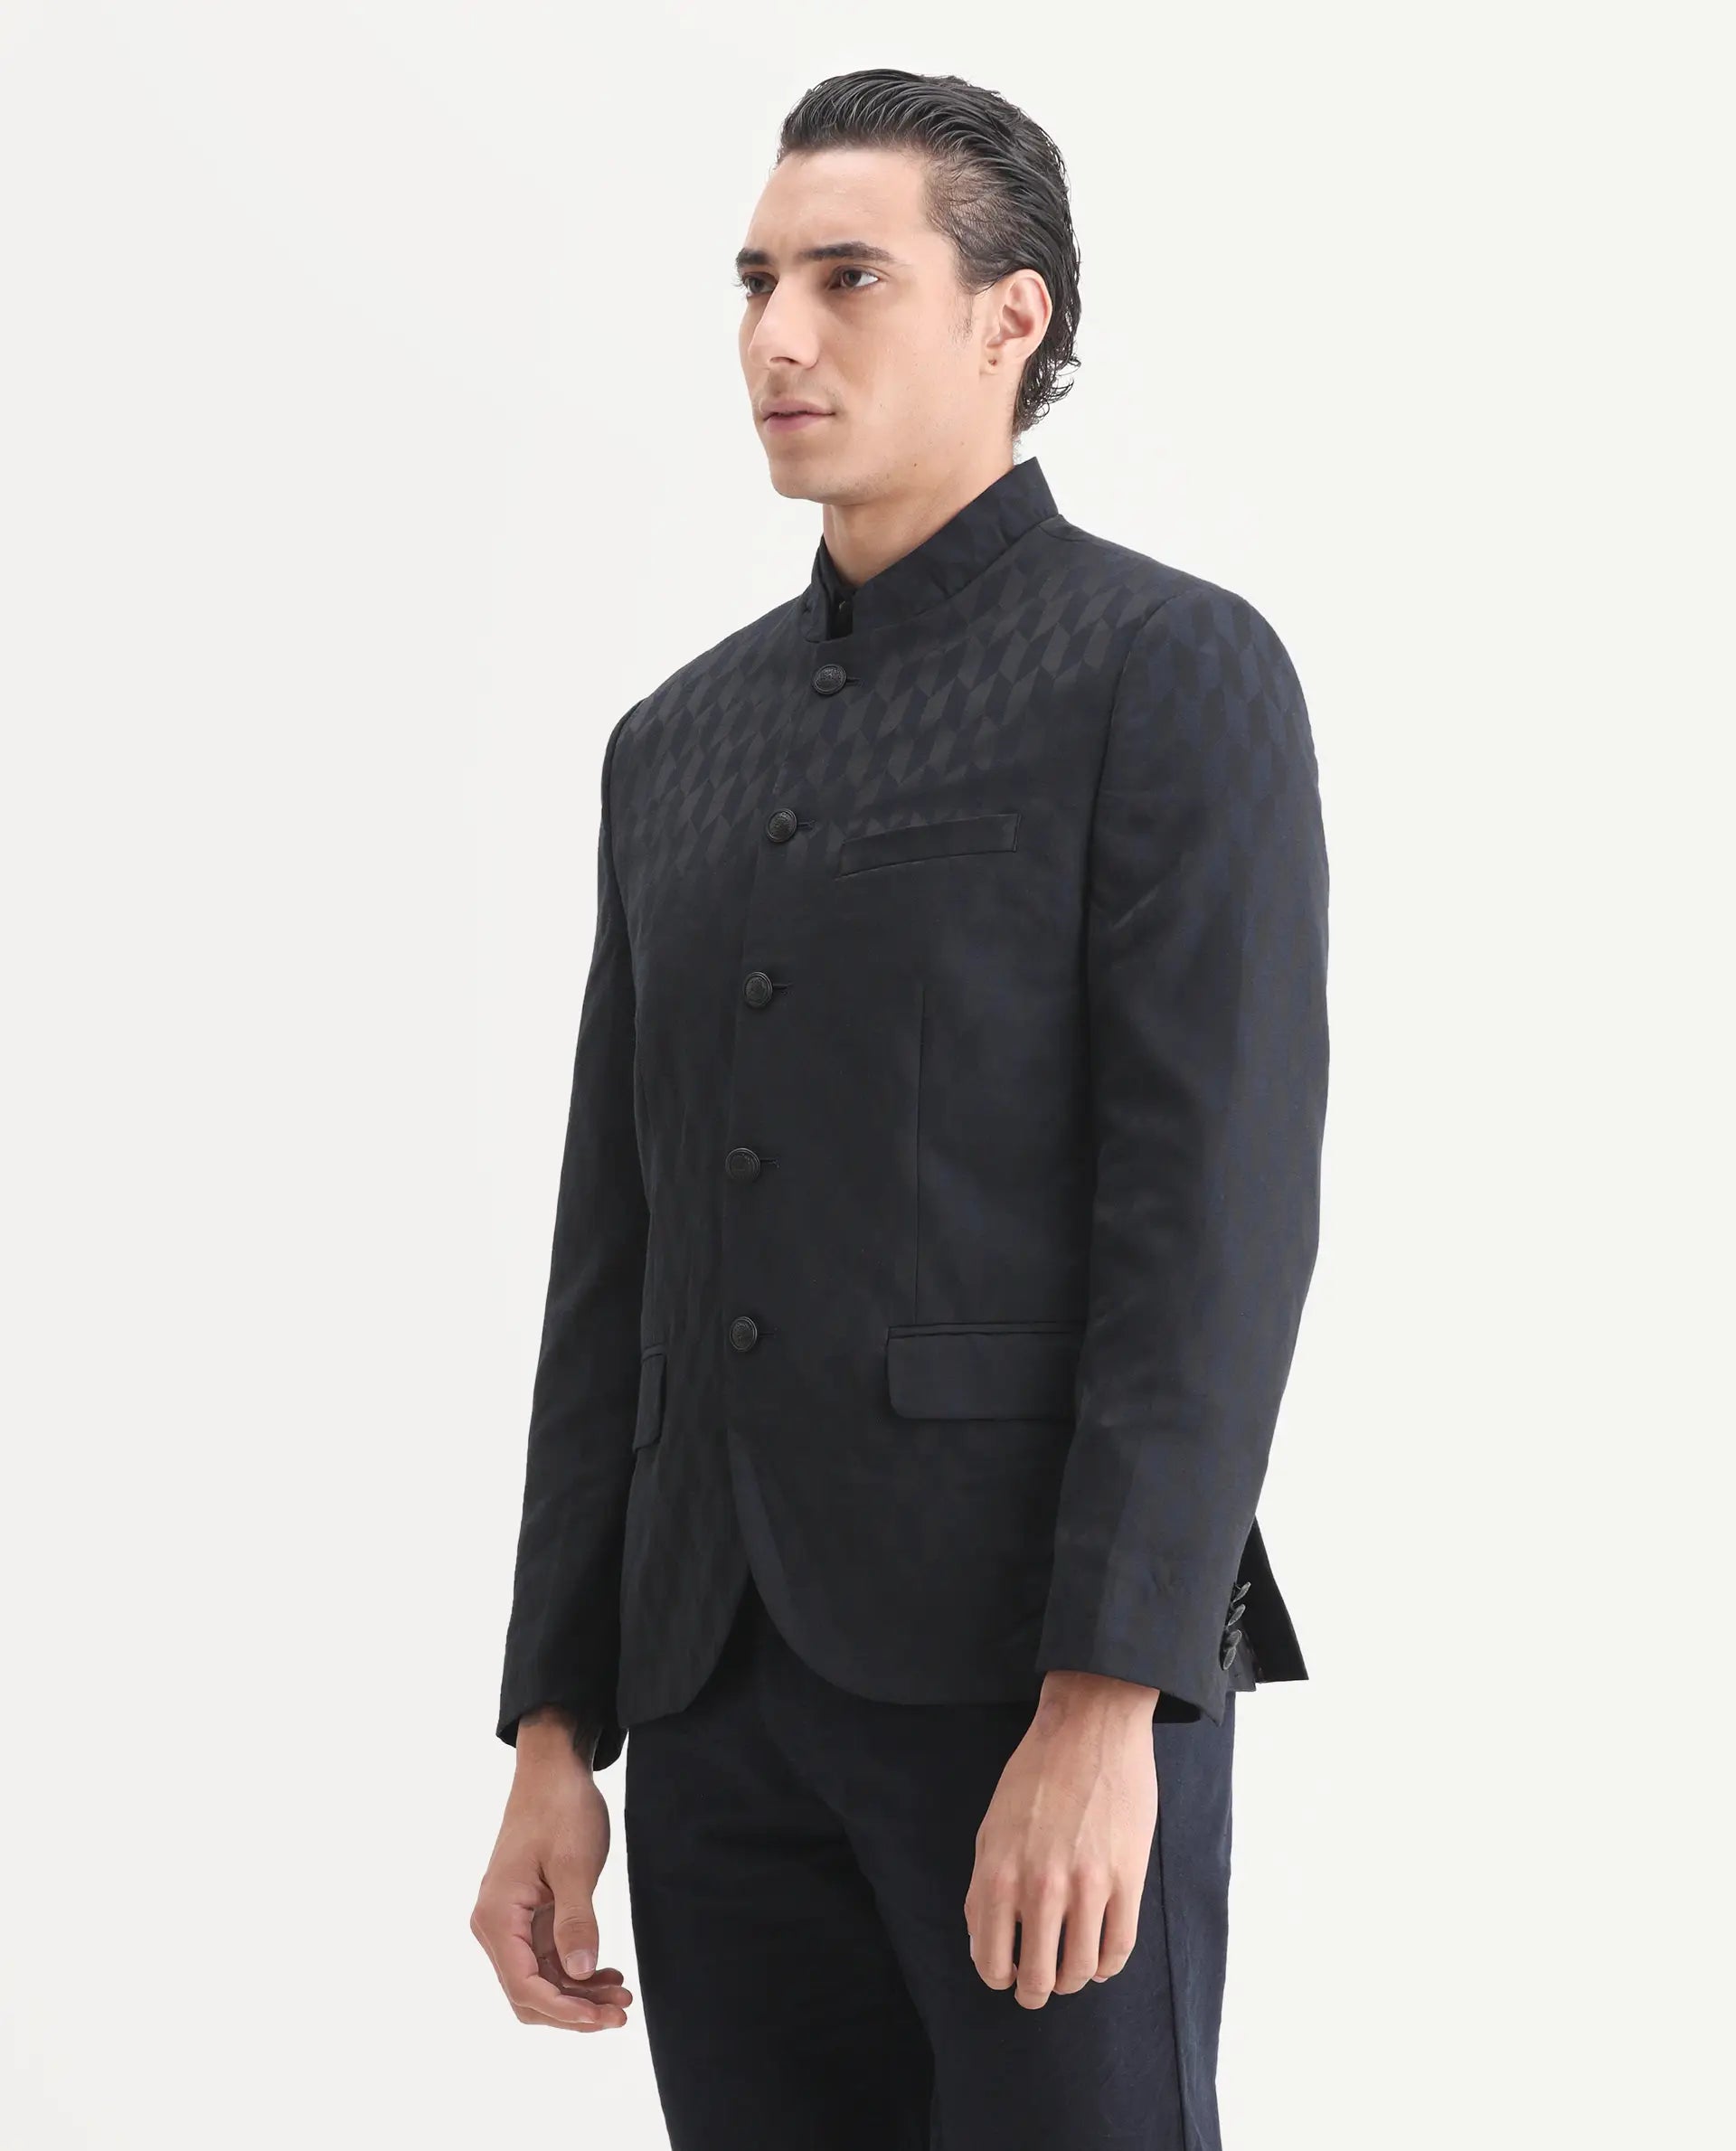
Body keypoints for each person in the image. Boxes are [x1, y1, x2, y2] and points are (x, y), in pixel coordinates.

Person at [470, 65, 1328, 2151]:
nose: (778, 334)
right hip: (711, 1697)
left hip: (1023, 1687)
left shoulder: (1165, 669)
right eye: (756, 280)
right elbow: (618, 1255)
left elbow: (1209, 1228)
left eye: (847, 278)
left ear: (1010, 317)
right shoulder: (671, 742)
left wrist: (1111, 1698)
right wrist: (556, 1724)